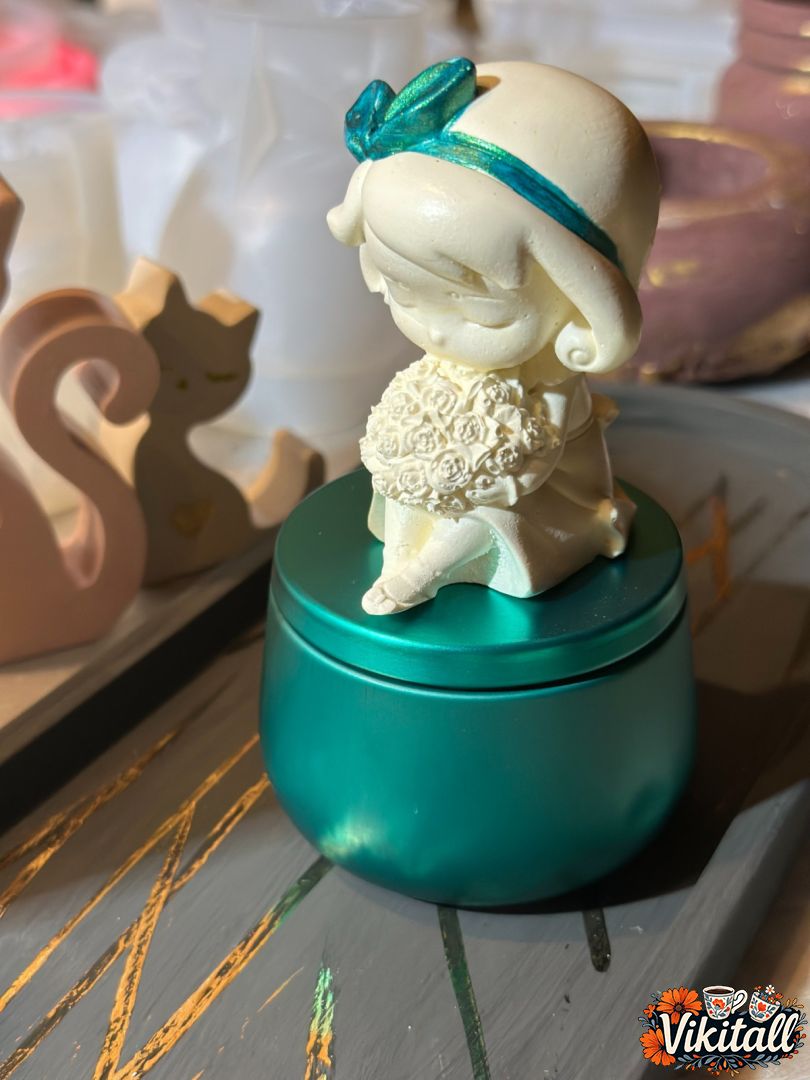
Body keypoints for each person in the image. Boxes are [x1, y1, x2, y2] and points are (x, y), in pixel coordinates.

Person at [328, 58, 660, 615]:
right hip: (459, 475)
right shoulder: (445, 361)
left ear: (580, 297)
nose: (435, 330)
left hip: (541, 496)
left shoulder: (551, 379)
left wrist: (480, 473)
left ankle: (427, 572)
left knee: (487, 517)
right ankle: (400, 559)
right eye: (407, 295)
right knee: (402, 488)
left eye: (483, 316)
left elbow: (537, 463)